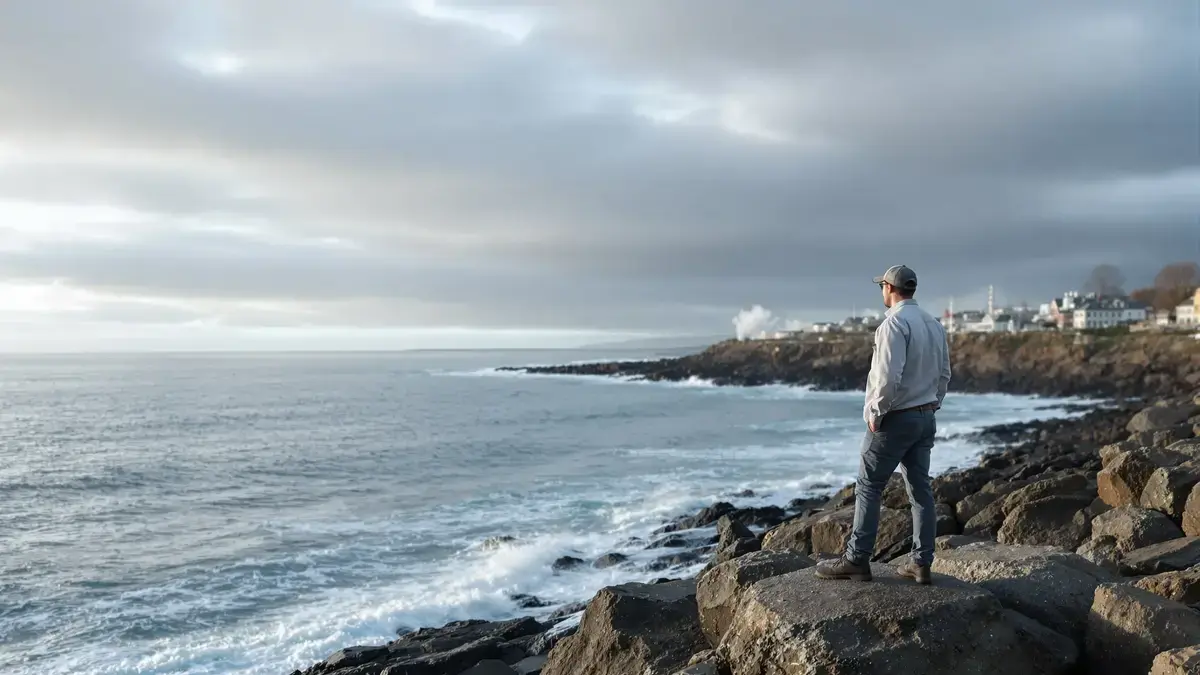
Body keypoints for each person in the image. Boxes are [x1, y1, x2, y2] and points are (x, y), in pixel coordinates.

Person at [815, 265, 952, 584]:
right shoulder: (933, 324)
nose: (881, 291)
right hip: (925, 416)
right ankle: (921, 563)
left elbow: (889, 377)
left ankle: (856, 559)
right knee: (920, 490)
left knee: (869, 486)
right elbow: (944, 372)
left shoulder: (893, 324)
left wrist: (876, 412)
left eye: (882, 286)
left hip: (896, 418)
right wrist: (934, 402)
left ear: (890, 287)